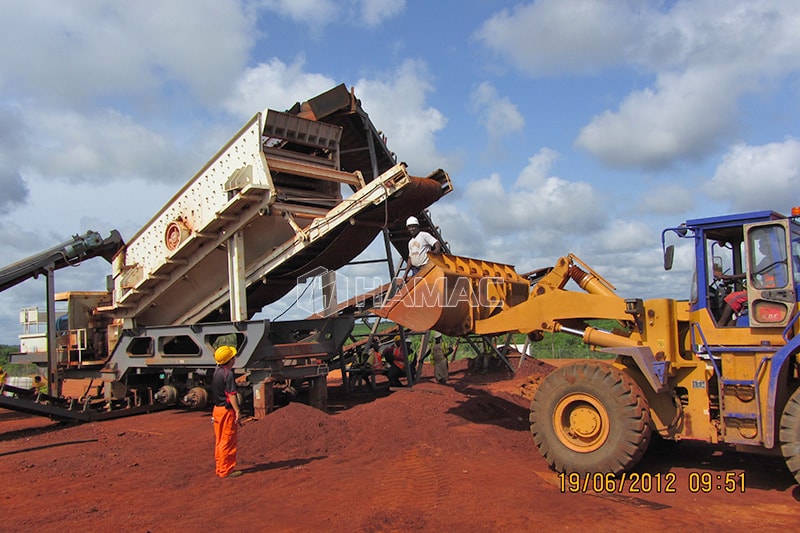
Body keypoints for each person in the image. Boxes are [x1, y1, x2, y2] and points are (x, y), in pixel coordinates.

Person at [212, 345, 243, 478]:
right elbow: (231, 394)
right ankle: (226, 470)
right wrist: (237, 410)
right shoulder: (228, 374)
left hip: (217, 410)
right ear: (230, 359)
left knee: (219, 440)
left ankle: (220, 468)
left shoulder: (217, 372)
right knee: (228, 440)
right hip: (226, 411)